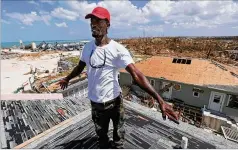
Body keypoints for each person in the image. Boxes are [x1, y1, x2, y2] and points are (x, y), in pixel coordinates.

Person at [59, 6, 180, 149]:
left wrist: (160, 100)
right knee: (101, 136)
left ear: (107, 24)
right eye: (92, 20)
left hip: (115, 103)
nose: (93, 23)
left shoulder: (118, 50)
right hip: (95, 104)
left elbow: (136, 74)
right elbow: (80, 67)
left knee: (118, 136)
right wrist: (67, 78)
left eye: (98, 20)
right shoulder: (87, 48)